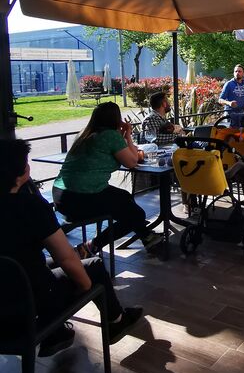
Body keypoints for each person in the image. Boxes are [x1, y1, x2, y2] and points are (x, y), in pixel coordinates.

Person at [0, 139, 143, 357]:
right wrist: (86, 286)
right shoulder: (30, 207)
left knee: (41, 266)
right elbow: (66, 257)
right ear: (19, 174)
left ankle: (56, 334)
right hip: (27, 301)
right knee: (93, 266)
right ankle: (116, 321)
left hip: (7, 297)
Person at [52, 102, 157, 257]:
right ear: (116, 119)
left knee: (125, 197)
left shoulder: (84, 134)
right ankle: (92, 246)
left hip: (60, 196)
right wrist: (128, 134)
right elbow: (132, 161)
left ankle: (147, 236)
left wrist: (122, 137)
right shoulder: (110, 136)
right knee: (136, 215)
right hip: (82, 197)